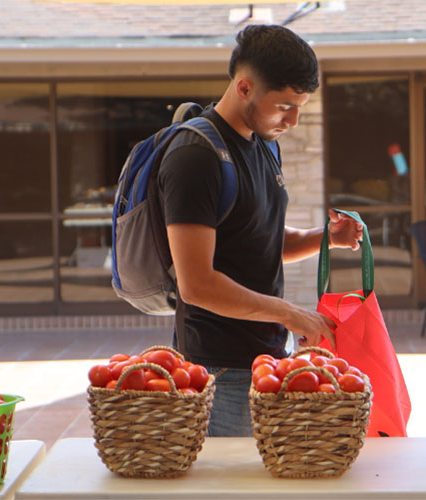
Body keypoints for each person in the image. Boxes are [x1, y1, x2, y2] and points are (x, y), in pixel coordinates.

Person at [157, 24, 364, 437]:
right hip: (219, 369)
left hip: (267, 359)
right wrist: (290, 313)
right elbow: (195, 284)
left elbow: (261, 239)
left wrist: (327, 238)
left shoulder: (264, 143)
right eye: (286, 105)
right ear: (245, 88)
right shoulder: (195, 156)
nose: (295, 119)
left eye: (301, 105)